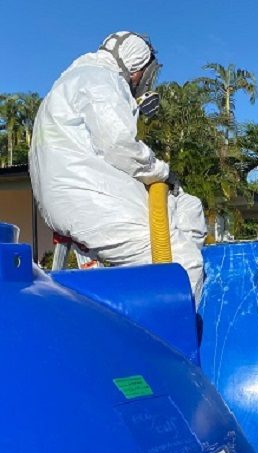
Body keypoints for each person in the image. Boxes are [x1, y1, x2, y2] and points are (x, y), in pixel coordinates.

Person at [29, 31, 208, 298]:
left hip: (83, 189)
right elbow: (119, 145)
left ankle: (156, 294)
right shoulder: (101, 80)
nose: (143, 81)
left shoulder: (73, 80)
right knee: (184, 265)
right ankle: (164, 336)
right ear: (136, 68)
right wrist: (162, 171)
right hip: (88, 196)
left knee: (187, 206)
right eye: (145, 74)